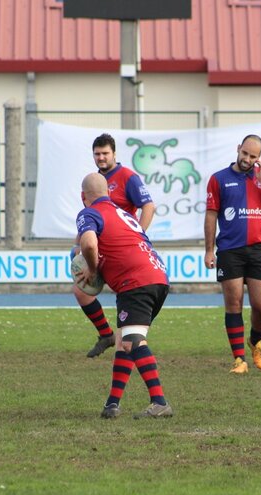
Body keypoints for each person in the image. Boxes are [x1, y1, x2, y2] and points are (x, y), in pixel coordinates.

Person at [74, 172, 171, 419]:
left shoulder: (89, 213)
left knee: (132, 341)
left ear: (83, 196)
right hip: (158, 276)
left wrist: (92, 268)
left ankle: (159, 402)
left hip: (135, 282)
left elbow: (89, 244)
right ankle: (112, 404)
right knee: (123, 340)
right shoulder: (124, 213)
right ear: (108, 192)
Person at [204, 134, 261, 374]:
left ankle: (255, 341)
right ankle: (239, 359)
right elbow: (211, 215)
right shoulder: (218, 179)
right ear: (238, 149)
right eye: (245, 153)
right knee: (234, 303)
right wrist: (209, 250)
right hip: (229, 250)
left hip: (258, 249)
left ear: (259, 157)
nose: (247, 159)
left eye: (253, 156)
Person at [74, 133, 156, 358]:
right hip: (99, 248)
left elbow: (149, 206)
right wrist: (78, 245)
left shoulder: (127, 177)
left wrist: (138, 235)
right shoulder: (95, 181)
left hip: (121, 250)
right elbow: (90, 219)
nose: (101, 157)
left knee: (127, 298)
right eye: (97, 154)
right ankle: (106, 335)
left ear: (114, 154)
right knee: (81, 290)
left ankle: (129, 339)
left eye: (105, 153)